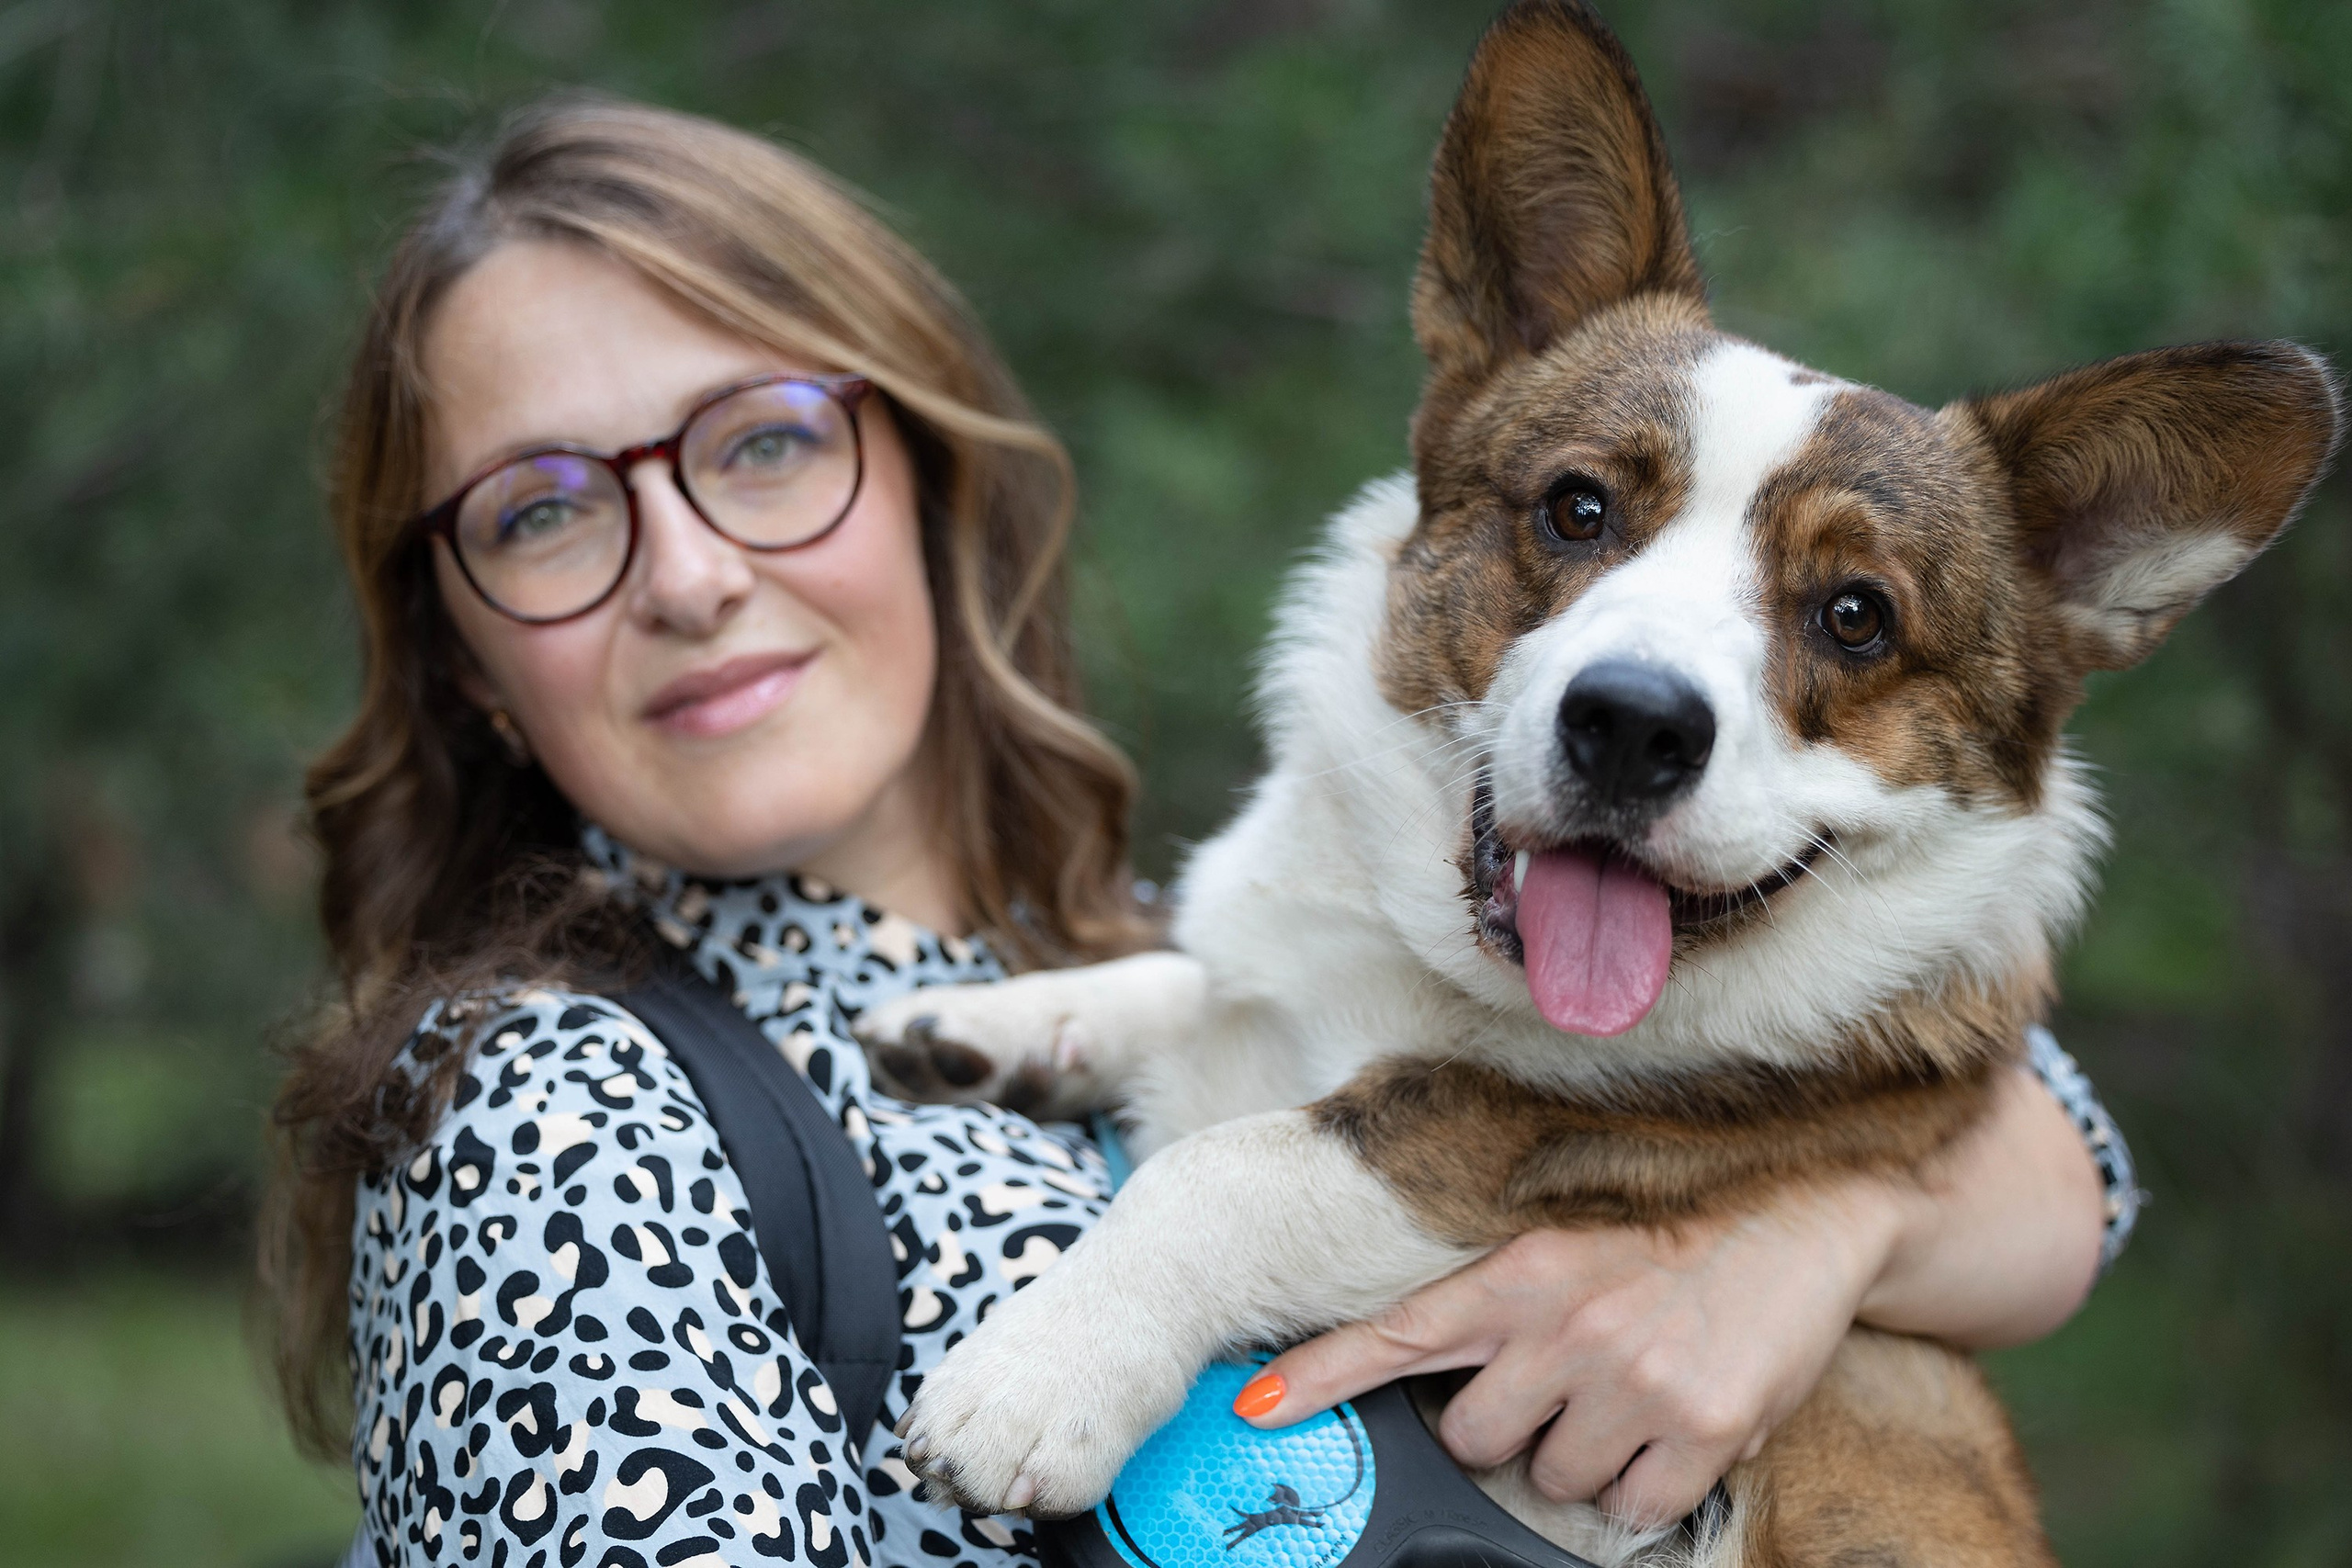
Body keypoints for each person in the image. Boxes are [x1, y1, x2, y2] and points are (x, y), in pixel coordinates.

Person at [260, 97, 2139, 1567]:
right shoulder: (545, 1103)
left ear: (922, 473)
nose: (684, 575)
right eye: (542, 511)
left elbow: (2047, 1150)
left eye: (761, 442)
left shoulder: (1139, 932)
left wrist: (1798, 1238)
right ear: (469, 656)